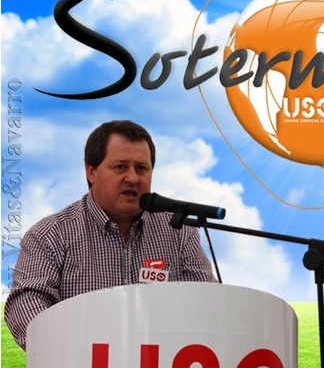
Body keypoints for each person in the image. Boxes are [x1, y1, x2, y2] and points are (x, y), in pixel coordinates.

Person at [4, 120, 217, 350]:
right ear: (91, 172)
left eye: (141, 168)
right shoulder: (50, 235)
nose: (133, 178)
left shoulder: (179, 231)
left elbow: (207, 302)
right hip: (81, 364)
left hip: (163, 365)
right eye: (120, 167)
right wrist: (75, 349)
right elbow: (26, 304)